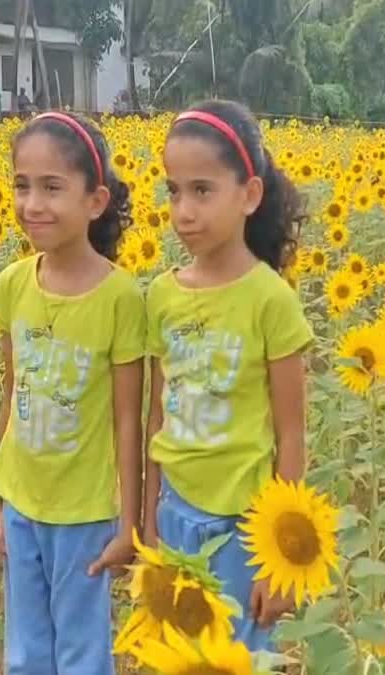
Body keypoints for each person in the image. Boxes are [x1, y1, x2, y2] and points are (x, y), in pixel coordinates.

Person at [142, 99, 314, 651]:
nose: (183, 211)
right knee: (178, 655)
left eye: (202, 190)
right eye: (174, 190)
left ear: (250, 194)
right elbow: (157, 417)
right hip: (176, 515)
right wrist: (149, 521)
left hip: (243, 527)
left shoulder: (270, 300)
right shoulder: (162, 296)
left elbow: (291, 435)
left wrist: (280, 559)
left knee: (237, 659)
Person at [0, 111, 145, 675]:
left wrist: (130, 522)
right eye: (22, 185)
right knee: (26, 652)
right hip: (23, 497)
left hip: (83, 511)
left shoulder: (121, 299)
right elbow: (12, 393)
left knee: (81, 652)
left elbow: (130, 420)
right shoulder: (13, 284)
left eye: (52, 187)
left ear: (94, 200)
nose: (33, 204)